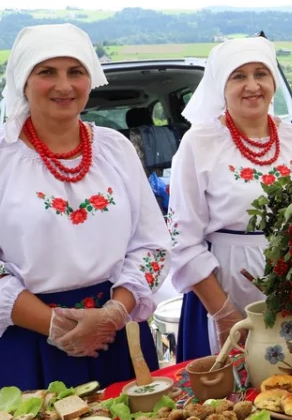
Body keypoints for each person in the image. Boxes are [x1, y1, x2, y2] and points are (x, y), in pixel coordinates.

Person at [0, 24, 169, 389]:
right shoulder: (4, 157)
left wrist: (113, 313)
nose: (64, 86)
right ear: (23, 81)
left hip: (117, 335)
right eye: (47, 72)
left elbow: (151, 244)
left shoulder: (115, 149)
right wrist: (54, 325)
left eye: (75, 72)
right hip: (30, 341)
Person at [168, 37, 292, 362]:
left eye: (260, 74)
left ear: (273, 82)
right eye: (239, 76)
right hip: (223, 293)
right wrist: (224, 315)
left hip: (290, 295)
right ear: (221, 85)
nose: (252, 85)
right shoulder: (199, 143)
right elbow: (183, 241)